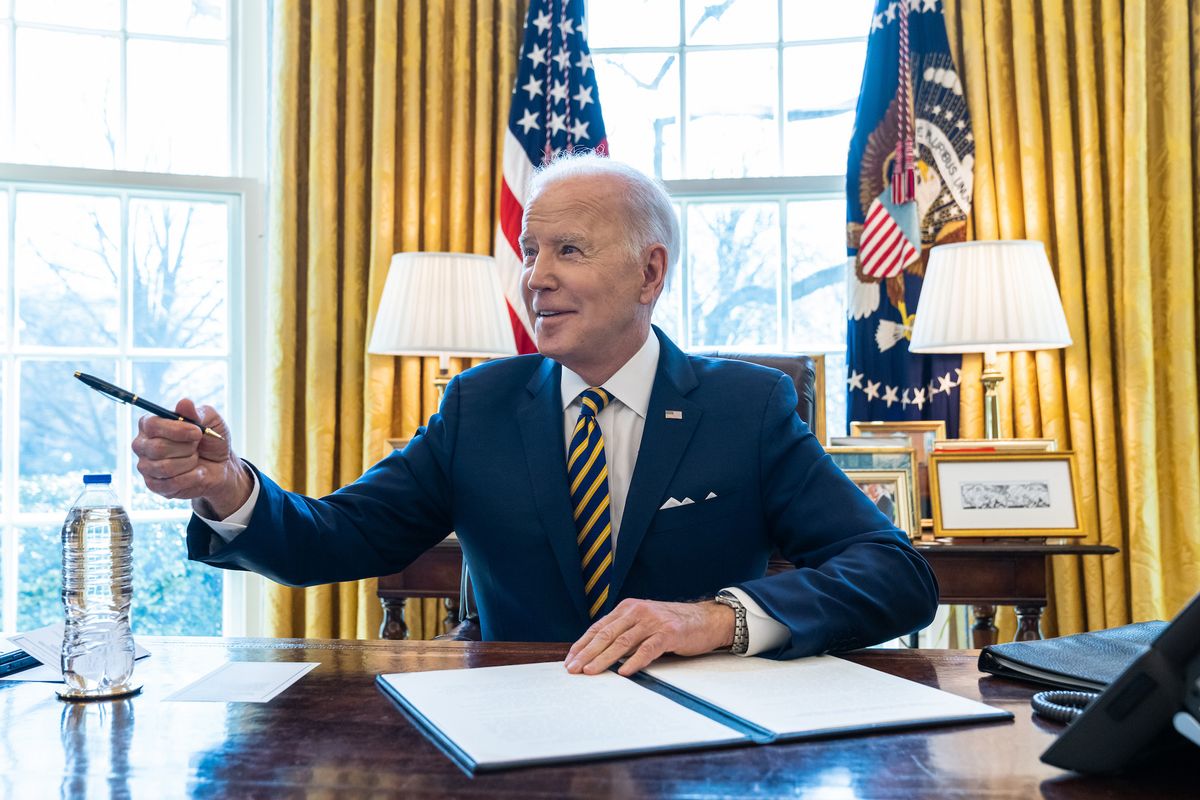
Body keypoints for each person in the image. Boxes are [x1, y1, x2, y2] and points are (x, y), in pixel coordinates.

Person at [132, 152, 938, 677]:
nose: (534, 279)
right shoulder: (477, 405)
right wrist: (230, 486)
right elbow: (334, 538)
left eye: (569, 252)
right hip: (508, 735)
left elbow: (896, 575)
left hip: (700, 737)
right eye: (529, 252)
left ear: (650, 272)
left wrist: (718, 620)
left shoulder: (746, 407)